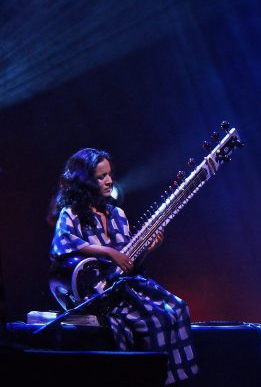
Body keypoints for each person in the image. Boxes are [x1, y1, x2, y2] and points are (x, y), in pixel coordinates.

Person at [47, 148, 199, 386]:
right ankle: (151, 378)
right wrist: (108, 251)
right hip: (101, 293)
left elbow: (129, 264)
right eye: (100, 177)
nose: (108, 181)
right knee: (154, 320)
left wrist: (148, 249)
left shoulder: (117, 214)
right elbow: (63, 245)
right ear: (85, 181)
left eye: (109, 174)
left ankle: (175, 379)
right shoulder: (72, 214)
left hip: (126, 285)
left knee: (177, 308)